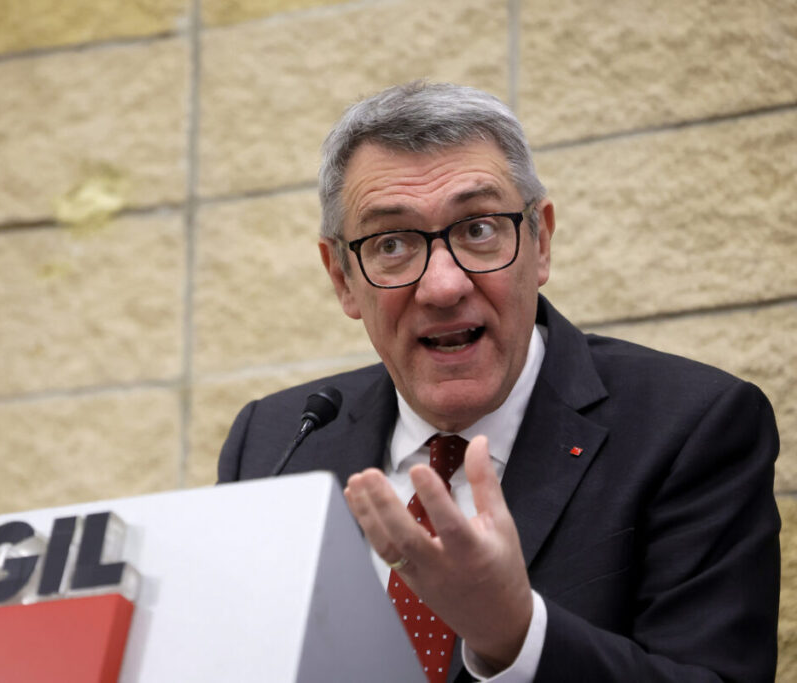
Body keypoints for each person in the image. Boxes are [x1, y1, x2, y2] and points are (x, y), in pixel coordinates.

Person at [217, 81, 780, 682]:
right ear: (342, 279)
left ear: (541, 241)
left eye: (478, 229)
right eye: (392, 243)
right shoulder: (274, 443)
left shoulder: (693, 427)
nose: (443, 286)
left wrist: (516, 636)